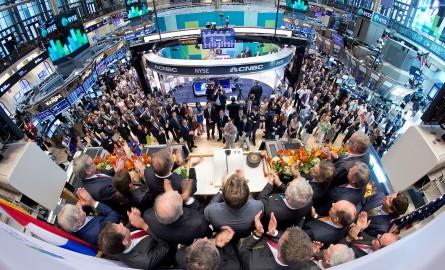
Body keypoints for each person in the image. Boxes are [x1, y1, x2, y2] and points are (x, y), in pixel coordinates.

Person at [238, 212, 314, 270]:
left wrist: (257, 234)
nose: (281, 234)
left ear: (279, 254)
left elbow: (243, 250)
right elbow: (290, 242)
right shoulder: (301, 260)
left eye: (282, 237)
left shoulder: (254, 266)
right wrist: (274, 233)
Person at [97, 208, 169, 269]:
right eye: (121, 227)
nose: (121, 224)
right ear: (125, 242)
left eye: (118, 224)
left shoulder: (115, 245)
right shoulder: (146, 260)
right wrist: (144, 226)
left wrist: (132, 219)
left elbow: (127, 229)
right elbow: (165, 245)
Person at [204, 172, 263, 238]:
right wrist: (243, 184)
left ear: (223, 197)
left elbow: (210, 206)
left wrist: (222, 189)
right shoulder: (259, 206)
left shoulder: (210, 211)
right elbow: (251, 200)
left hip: (223, 235)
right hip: (244, 234)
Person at [143, 190, 210, 245]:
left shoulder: (147, 217)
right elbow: (203, 215)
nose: (176, 192)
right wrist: (189, 200)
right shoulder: (199, 223)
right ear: (181, 212)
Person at [176, 226, 241, 270]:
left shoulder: (180, 255)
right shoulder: (232, 266)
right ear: (217, 256)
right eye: (208, 242)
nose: (205, 238)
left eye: (196, 242)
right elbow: (232, 254)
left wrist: (214, 241)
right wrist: (225, 242)